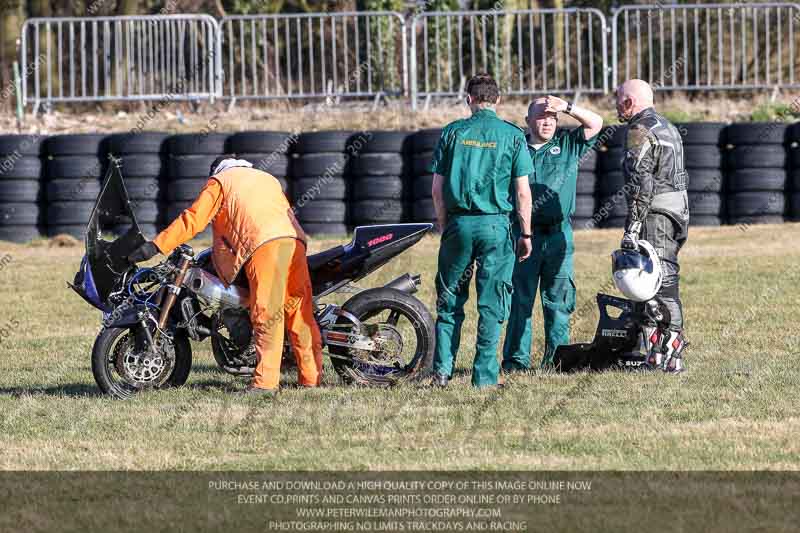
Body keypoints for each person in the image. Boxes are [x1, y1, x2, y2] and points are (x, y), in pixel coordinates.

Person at [127, 156, 323, 394]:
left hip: (263, 244)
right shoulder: (266, 179)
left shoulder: (220, 181)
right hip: (294, 241)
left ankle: (265, 384)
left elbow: (193, 219)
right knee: (298, 311)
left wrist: (156, 246)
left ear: (216, 170)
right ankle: (311, 378)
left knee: (266, 313)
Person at [429, 73, 534, 388]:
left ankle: (442, 372)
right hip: (496, 226)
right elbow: (523, 193)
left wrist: (447, 224)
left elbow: (436, 189)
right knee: (491, 302)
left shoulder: (452, 133)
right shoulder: (513, 136)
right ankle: (484, 377)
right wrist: (525, 233)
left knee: (449, 300)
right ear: (497, 100)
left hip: (459, 224)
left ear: (469, 99)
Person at [502, 96, 604, 371]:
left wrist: (568, 107)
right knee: (519, 302)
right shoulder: (515, 147)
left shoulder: (568, 145)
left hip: (559, 237)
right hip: (523, 236)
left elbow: (597, 122)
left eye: (552, 117)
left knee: (558, 302)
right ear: (527, 121)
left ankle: (558, 361)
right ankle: (515, 363)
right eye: (540, 116)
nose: (547, 121)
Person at [615, 79, 690, 373]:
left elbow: (640, 182)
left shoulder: (638, 129)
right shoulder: (668, 127)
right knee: (661, 278)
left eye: (618, 100)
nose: (616, 105)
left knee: (658, 282)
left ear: (628, 103)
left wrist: (633, 226)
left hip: (654, 214)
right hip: (677, 211)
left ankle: (672, 353)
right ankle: (656, 353)